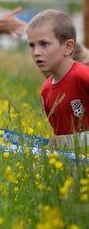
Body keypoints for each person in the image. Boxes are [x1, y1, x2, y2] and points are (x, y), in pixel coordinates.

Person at [26, 9, 89, 149]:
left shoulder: (82, 76)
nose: (36, 53)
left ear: (68, 47)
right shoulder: (45, 91)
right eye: (32, 45)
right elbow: (58, 135)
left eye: (44, 44)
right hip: (67, 165)